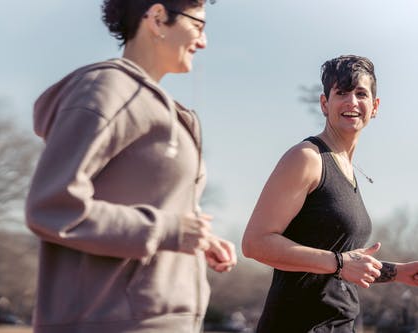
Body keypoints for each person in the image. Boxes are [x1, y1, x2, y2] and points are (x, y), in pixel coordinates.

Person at [25, 1, 237, 333]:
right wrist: (169, 230)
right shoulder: (106, 90)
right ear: (157, 18)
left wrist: (199, 239)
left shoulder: (159, 105)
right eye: (198, 26)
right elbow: (50, 207)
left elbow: (146, 207)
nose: (203, 41)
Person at [241, 55, 418, 332]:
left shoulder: (345, 167)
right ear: (325, 104)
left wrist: (398, 272)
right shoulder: (307, 158)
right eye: (342, 93)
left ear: (375, 107)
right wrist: (338, 263)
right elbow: (255, 243)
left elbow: (343, 262)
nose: (352, 102)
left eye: (361, 93)